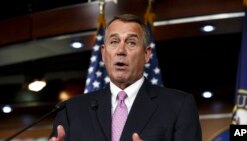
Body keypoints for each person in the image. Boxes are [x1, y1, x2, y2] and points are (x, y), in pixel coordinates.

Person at [49, 14, 202, 141]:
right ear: (103, 53)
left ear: (147, 54)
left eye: (131, 43)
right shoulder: (71, 111)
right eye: (114, 42)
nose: (120, 50)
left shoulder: (179, 106)